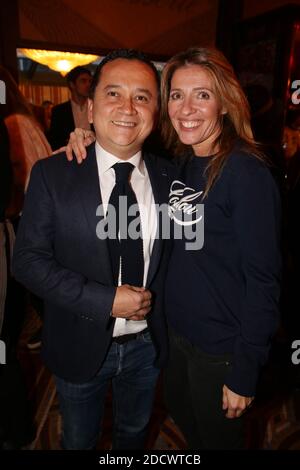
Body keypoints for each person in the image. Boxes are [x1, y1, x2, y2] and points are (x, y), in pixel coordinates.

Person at [67, 47, 281, 450]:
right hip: (174, 338)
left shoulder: (245, 172)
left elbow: (264, 281)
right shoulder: (178, 163)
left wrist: (245, 371)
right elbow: (123, 156)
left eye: (202, 94)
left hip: (220, 350)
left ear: (225, 102)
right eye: (177, 95)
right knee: (186, 426)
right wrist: (89, 136)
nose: (187, 108)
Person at [12, 49, 174, 450]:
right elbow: (28, 262)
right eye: (113, 94)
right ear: (89, 106)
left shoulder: (174, 178)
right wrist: (105, 300)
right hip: (79, 342)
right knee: (79, 440)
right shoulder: (54, 173)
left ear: (156, 110)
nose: (128, 108)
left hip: (149, 346)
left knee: (133, 435)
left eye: (142, 96)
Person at [49, 66, 92, 150]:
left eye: (90, 81)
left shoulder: (95, 109)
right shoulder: (59, 111)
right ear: (72, 85)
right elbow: (54, 142)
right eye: (83, 81)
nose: (88, 85)